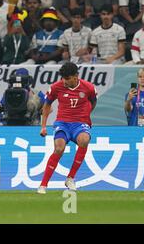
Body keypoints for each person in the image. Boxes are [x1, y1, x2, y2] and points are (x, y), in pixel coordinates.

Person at [38, 62, 97, 194]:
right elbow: (47, 105)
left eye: (67, 78)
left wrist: (85, 116)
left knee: (84, 140)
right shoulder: (55, 87)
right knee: (59, 148)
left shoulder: (88, 87)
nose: (64, 81)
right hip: (62, 123)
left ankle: (70, 178)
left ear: (75, 76)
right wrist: (43, 126)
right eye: (63, 78)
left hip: (79, 123)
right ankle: (43, 185)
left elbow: (93, 102)